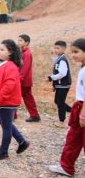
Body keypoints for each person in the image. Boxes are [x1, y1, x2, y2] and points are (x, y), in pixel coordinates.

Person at [0, 39, 30, 160]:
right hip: (5, 101)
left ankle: (3, 152)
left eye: (2, 50)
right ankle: (22, 142)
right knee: (4, 122)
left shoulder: (10, 66)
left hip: (7, 101)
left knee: (6, 126)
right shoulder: (7, 65)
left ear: (10, 52)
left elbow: (9, 85)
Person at [49, 38, 85, 177]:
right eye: (72, 52)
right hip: (79, 106)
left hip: (82, 107)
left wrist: (82, 115)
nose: (74, 55)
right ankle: (66, 166)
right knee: (73, 138)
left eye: (76, 52)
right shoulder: (82, 67)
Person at [48, 41, 72, 128]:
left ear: (64, 49)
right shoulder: (59, 58)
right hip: (60, 85)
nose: (55, 50)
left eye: (57, 48)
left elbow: (62, 73)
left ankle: (62, 122)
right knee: (58, 101)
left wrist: (51, 78)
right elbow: (56, 64)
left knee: (60, 103)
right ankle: (74, 111)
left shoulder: (62, 60)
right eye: (55, 48)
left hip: (63, 85)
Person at [18, 34, 41, 122]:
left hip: (24, 81)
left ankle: (34, 115)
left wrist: (19, 79)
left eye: (21, 40)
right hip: (23, 80)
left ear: (26, 42)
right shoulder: (22, 52)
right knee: (26, 98)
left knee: (27, 98)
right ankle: (34, 115)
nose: (18, 42)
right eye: (18, 40)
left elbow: (25, 68)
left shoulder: (27, 53)